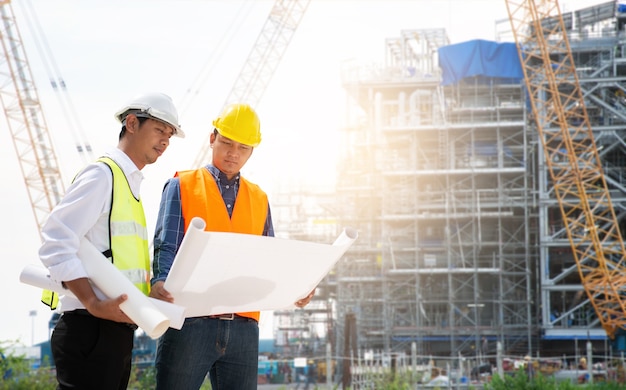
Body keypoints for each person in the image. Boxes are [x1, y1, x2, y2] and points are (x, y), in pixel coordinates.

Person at [150, 103, 315, 390]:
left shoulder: (259, 198)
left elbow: (270, 258)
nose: (233, 153)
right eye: (226, 143)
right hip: (189, 322)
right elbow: (167, 245)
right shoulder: (182, 186)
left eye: (243, 147)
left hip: (244, 328)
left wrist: (296, 288)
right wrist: (160, 281)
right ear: (212, 139)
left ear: (252, 151)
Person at [38, 92, 183, 390]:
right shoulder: (102, 176)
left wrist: (146, 294)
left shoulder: (129, 184)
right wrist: (92, 302)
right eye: (159, 130)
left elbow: (117, 261)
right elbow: (55, 239)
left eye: (169, 134)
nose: (165, 141)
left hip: (115, 330)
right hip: (89, 327)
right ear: (131, 123)